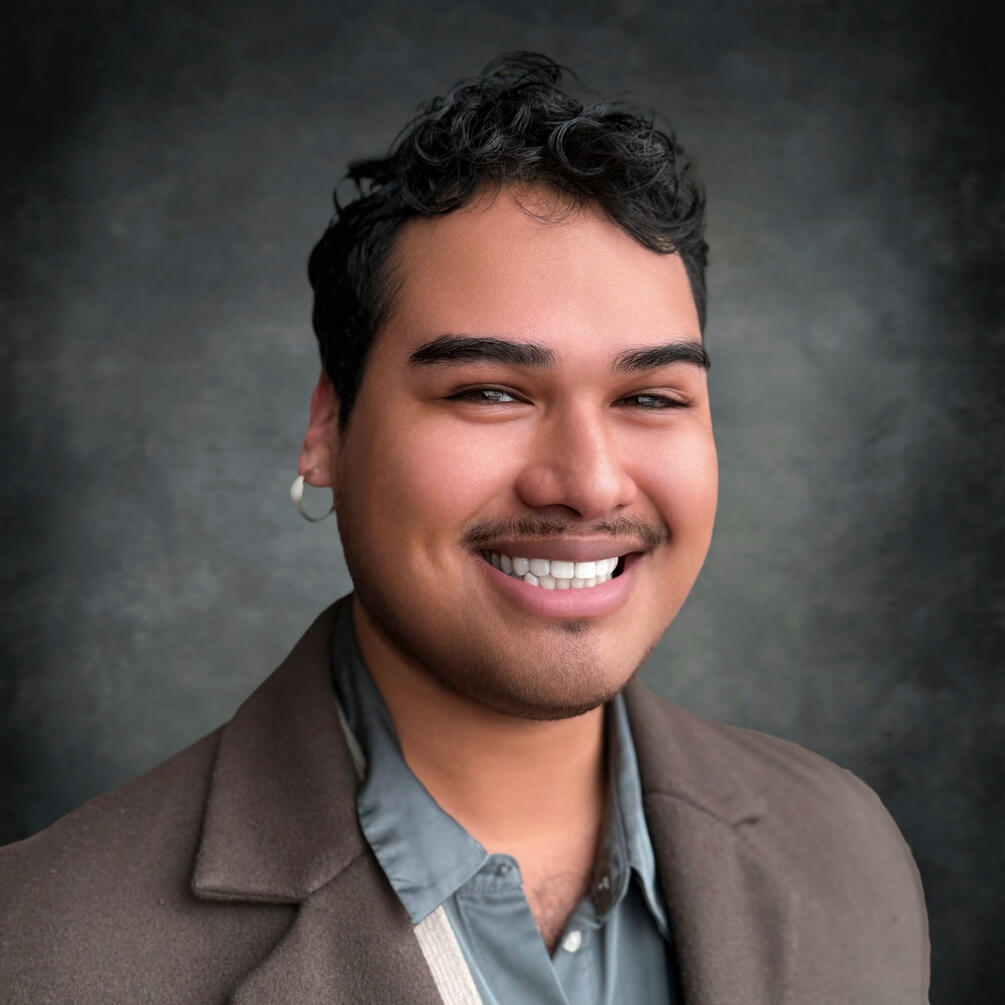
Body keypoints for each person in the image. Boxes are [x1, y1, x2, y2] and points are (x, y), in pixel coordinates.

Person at [0, 53, 929, 1004]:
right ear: (327, 428)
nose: (587, 483)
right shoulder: (40, 951)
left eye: (649, 396)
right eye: (489, 391)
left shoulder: (847, 852)